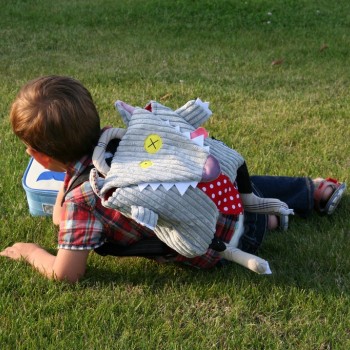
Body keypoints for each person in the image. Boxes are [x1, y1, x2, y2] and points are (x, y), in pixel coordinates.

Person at [0, 75, 346, 283]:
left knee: (204, 215)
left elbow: (67, 273)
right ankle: (306, 192)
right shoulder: (120, 139)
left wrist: (31, 252)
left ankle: (266, 221)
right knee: (204, 178)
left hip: (224, 248)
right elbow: (64, 212)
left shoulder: (84, 202)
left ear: (40, 156)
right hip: (234, 197)